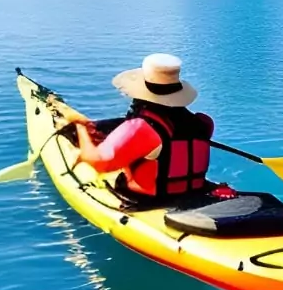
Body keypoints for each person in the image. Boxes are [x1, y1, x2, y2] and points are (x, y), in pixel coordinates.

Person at [59, 53, 217, 204]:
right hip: (194, 192)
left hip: (148, 199)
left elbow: (98, 163)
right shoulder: (204, 122)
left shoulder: (141, 127)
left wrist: (80, 125)